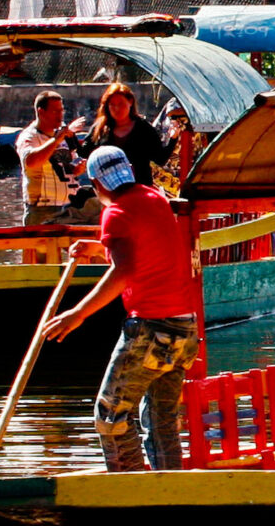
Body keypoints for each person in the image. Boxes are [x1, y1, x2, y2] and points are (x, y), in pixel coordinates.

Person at [44, 146, 202, 472]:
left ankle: (128, 486)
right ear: (128, 171)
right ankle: (169, 490)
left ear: (98, 184)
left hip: (152, 329)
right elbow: (142, 240)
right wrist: (98, 244)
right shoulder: (154, 197)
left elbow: (123, 270)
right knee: (161, 421)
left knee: (110, 415)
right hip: (184, 328)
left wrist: (78, 314)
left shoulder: (115, 213)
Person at [11, 91, 81, 260]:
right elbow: (31, 162)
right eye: (55, 111)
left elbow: (73, 162)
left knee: (88, 256)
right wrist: (56, 140)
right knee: (43, 266)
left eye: (62, 110)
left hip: (70, 207)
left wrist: (78, 168)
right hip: (43, 209)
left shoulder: (65, 135)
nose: (61, 115)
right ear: (41, 112)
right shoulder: (28, 137)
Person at [83, 83, 171, 191]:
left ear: (130, 102)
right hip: (109, 191)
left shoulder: (144, 129)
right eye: (112, 104)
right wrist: (69, 136)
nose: (116, 109)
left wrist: (173, 138)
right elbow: (84, 154)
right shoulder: (99, 129)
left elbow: (160, 159)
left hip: (139, 189)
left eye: (121, 104)